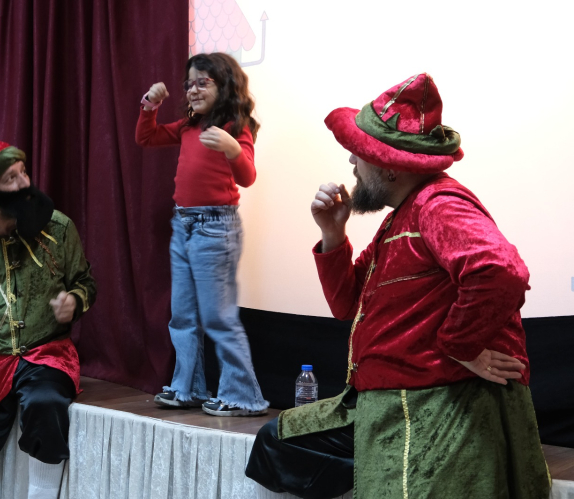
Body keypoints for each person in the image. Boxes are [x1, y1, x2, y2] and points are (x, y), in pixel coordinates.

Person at [245, 73, 550, 498]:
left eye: (360, 154)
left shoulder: (438, 205)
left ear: (389, 167)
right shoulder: (399, 218)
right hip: (382, 398)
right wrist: (333, 234)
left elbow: (501, 271)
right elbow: (347, 305)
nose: (352, 162)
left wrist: (461, 347)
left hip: (430, 402)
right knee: (275, 444)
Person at [0, 138, 97, 498]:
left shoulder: (59, 229)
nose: (24, 184)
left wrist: (74, 301)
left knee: (45, 403)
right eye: (10, 178)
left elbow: (85, 283)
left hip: (46, 353)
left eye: (23, 172)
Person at [135, 52, 269, 417]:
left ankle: (242, 395)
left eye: (202, 83)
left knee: (218, 317)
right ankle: (187, 388)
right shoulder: (188, 126)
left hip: (215, 227)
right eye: (189, 84)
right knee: (182, 315)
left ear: (224, 86)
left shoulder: (235, 127)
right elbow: (146, 137)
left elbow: (247, 176)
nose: (192, 90)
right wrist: (150, 106)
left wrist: (232, 148)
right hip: (183, 225)